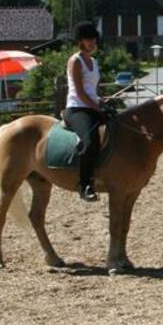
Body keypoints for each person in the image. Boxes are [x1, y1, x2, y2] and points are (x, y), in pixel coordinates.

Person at [65, 21, 109, 202]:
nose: (92, 42)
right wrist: (96, 107)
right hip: (77, 109)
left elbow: (93, 90)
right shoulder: (75, 61)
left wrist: (102, 100)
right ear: (80, 41)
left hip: (92, 106)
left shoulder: (94, 61)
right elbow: (81, 93)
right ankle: (85, 185)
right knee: (90, 141)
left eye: (93, 39)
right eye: (88, 39)